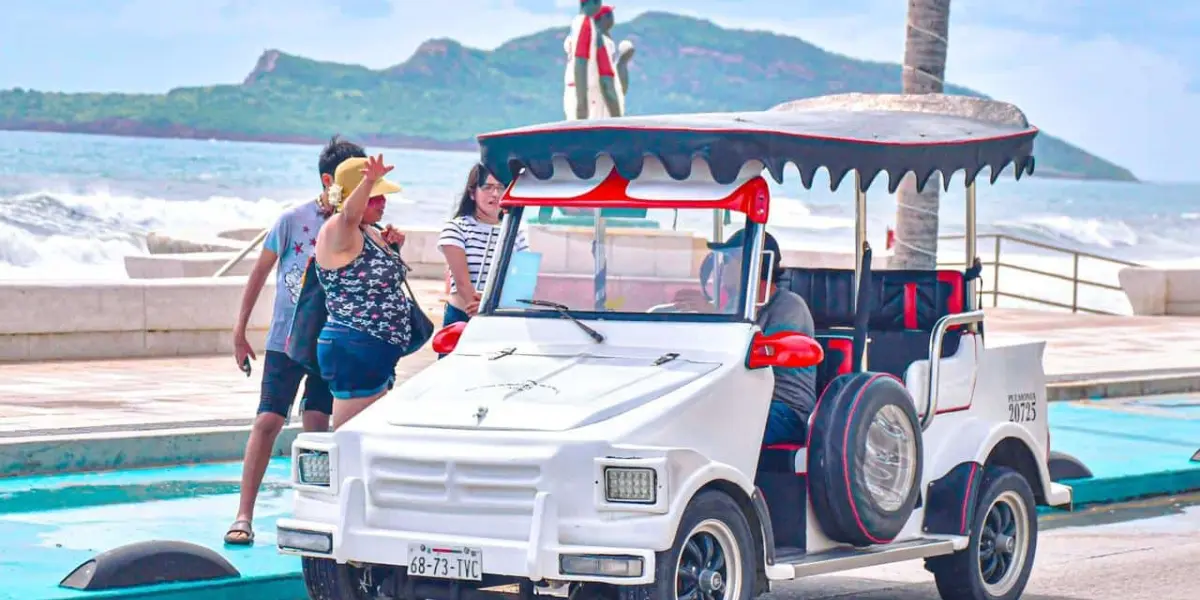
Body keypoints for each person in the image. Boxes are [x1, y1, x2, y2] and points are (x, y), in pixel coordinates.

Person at [224, 135, 366, 546]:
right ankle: (243, 514)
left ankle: (316, 513)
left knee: (319, 425)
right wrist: (240, 329)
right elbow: (260, 272)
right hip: (286, 341)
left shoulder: (358, 225)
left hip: (329, 343)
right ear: (329, 179)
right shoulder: (293, 220)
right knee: (268, 420)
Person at [683, 229, 818, 444]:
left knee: (713, 426)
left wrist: (713, 316)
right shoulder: (735, 306)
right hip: (743, 400)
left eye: (729, 261)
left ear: (755, 265)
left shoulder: (790, 307)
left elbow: (753, 360)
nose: (723, 268)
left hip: (785, 409)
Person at [313, 154, 409, 430]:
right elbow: (348, 214)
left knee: (371, 435)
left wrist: (394, 248)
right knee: (351, 438)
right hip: (354, 346)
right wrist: (368, 180)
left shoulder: (369, 231)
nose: (383, 202)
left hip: (375, 349)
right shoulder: (338, 228)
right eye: (374, 196)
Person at [437, 164, 529, 337]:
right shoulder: (456, 228)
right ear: (472, 193)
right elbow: (463, 282)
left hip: (501, 317)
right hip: (462, 317)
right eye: (487, 187)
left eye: (501, 187)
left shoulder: (515, 232)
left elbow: (523, 279)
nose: (495, 194)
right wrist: (478, 307)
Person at [563, 0, 621, 119]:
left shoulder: (574, 28)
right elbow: (582, 64)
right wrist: (582, 106)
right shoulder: (587, 26)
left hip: (573, 93)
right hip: (589, 96)